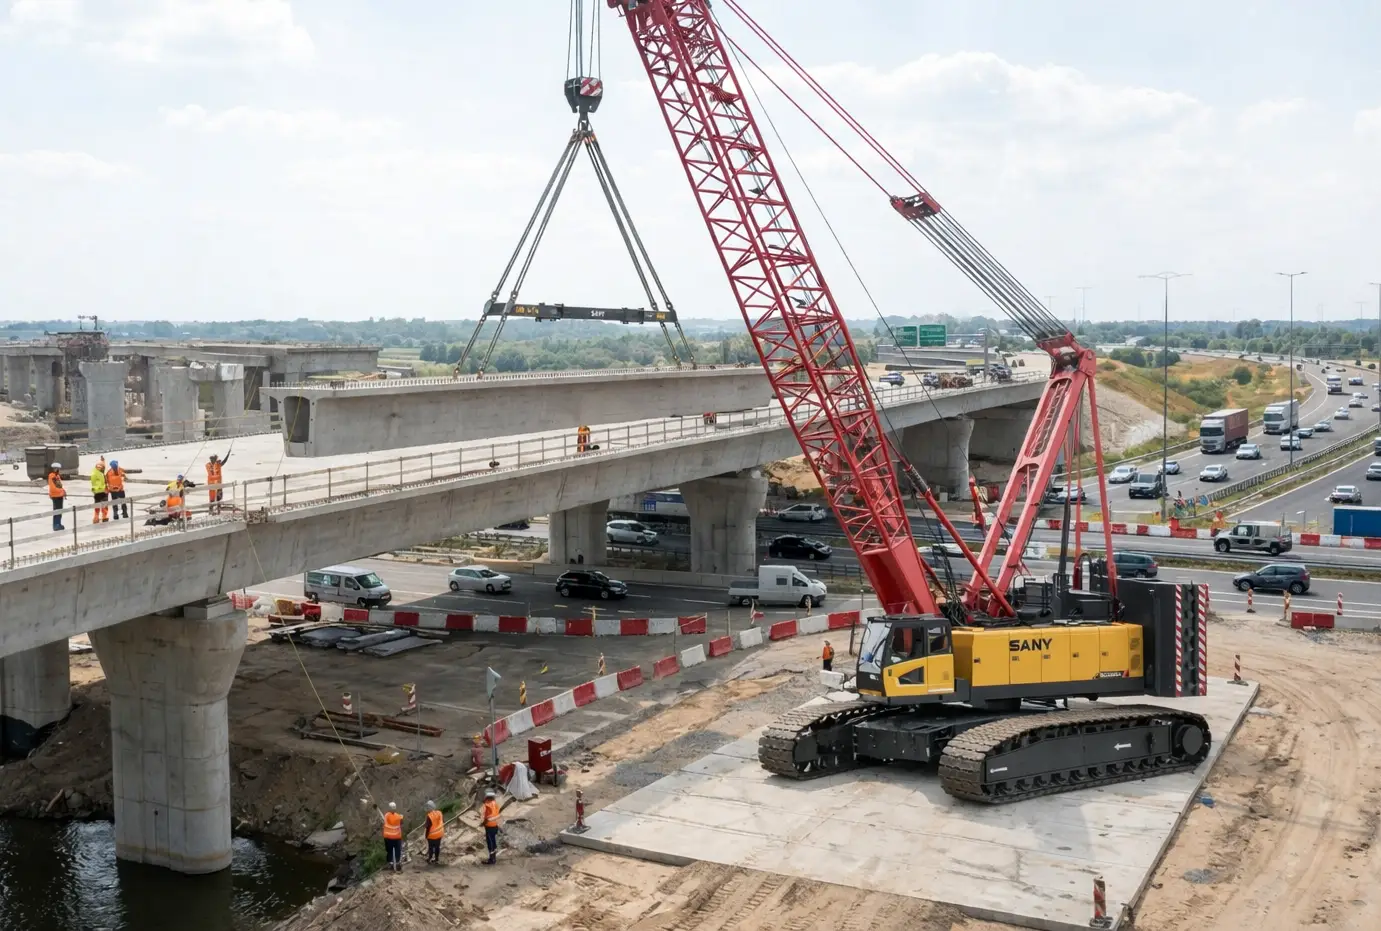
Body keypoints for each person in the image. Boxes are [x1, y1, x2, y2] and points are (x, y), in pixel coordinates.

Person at [382, 801, 404, 872]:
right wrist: (401, 817)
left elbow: (385, 822)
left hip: (388, 837)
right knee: (398, 850)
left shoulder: (386, 815)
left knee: (389, 851)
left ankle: (390, 863)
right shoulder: (399, 816)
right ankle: (397, 863)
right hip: (397, 837)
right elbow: (401, 824)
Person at [481, 789, 501, 865]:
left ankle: (492, 860)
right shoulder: (495, 803)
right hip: (495, 825)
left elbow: (487, 817)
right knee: (493, 842)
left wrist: (483, 823)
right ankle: (494, 858)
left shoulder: (487, 804)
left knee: (490, 844)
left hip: (489, 826)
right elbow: (498, 814)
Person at [424, 800, 444, 865]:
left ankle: (429, 859)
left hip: (432, 835)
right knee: (437, 847)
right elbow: (443, 821)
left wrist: (426, 836)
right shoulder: (439, 813)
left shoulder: (429, 816)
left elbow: (428, 827)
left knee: (431, 847)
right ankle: (436, 859)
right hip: (440, 833)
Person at [48, 462, 65, 532]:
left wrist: (63, 491)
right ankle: (56, 525)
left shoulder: (57, 476)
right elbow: (53, 488)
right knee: (57, 511)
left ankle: (58, 524)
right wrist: (61, 491)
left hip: (60, 496)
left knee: (59, 511)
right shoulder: (52, 476)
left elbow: (60, 486)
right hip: (56, 496)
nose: (58, 470)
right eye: (57, 469)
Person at [90, 459, 108, 524]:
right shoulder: (99, 474)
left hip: (97, 492)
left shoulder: (94, 472)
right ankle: (103, 517)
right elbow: (102, 482)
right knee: (104, 505)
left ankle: (96, 517)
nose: (103, 469)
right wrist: (105, 488)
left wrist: (103, 461)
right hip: (102, 491)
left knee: (97, 505)